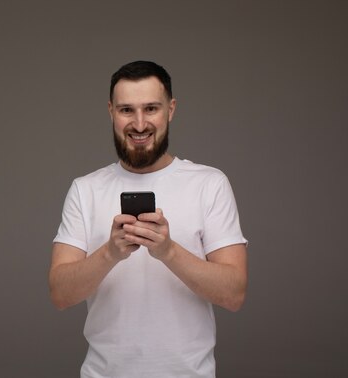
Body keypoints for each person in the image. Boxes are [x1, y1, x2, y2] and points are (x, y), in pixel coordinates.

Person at [49, 61, 248, 378]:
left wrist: (168, 251)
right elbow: (60, 293)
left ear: (171, 110)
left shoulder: (209, 184)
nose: (139, 124)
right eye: (127, 110)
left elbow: (234, 294)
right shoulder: (85, 190)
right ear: (111, 111)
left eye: (151, 108)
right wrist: (110, 253)